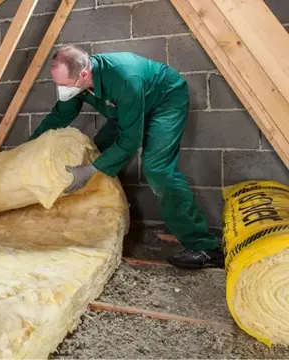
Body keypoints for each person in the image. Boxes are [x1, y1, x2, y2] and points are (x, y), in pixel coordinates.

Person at [30, 45, 224, 269]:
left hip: (164, 100)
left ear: (84, 74)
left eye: (63, 84)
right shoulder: (79, 81)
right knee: (97, 152)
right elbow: (61, 115)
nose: (61, 89)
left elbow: (130, 141)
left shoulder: (124, 77)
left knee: (157, 169)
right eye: (57, 83)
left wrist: (90, 171)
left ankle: (205, 248)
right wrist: (29, 147)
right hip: (129, 106)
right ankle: (102, 221)